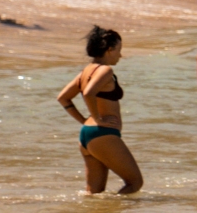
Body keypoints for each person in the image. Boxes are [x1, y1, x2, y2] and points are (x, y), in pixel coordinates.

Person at [58, 25, 143, 195]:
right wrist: (98, 119)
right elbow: (89, 93)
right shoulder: (105, 70)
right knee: (135, 183)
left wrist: (85, 121)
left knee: (94, 193)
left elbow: (63, 97)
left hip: (87, 135)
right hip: (103, 134)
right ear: (109, 49)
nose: (121, 55)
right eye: (119, 50)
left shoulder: (86, 71)